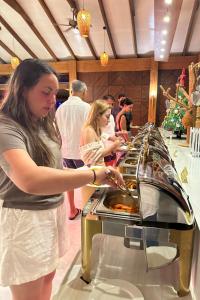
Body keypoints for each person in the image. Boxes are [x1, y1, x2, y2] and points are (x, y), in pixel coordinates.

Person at [0, 59, 124, 300]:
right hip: (23, 220)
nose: (52, 100)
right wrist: (94, 173)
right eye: (46, 93)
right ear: (22, 89)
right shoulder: (6, 128)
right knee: (29, 290)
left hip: (50, 212)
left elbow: (55, 170)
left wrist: (98, 173)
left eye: (54, 94)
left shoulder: (42, 124)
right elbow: (31, 179)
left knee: (47, 278)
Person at [56, 80, 90, 220]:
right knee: (86, 182)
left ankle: (71, 210)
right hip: (82, 151)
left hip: (66, 151)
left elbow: (57, 132)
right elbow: (90, 130)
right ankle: (88, 211)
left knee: (69, 182)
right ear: (83, 92)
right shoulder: (86, 107)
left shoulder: (60, 108)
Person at [102, 95, 119, 166]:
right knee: (108, 170)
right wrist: (110, 138)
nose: (111, 106)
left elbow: (111, 130)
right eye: (108, 104)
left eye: (112, 104)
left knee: (113, 166)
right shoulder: (100, 117)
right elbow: (98, 132)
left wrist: (117, 134)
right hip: (105, 147)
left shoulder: (111, 116)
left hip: (112, 146)